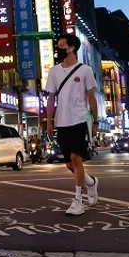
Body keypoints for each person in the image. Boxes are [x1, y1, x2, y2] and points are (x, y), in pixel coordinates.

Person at [43, 34, 99, 216]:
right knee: (69, 164)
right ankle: (90, 182)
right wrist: (49, 121)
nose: (59, 50)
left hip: (79, 120)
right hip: (62, 122)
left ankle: (78, 201)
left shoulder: (85, 71)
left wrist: (95, 121)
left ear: (72, 48)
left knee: (76, 159)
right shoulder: (54, 71)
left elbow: (91, 98)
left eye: (62, 46)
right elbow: (50, 99)